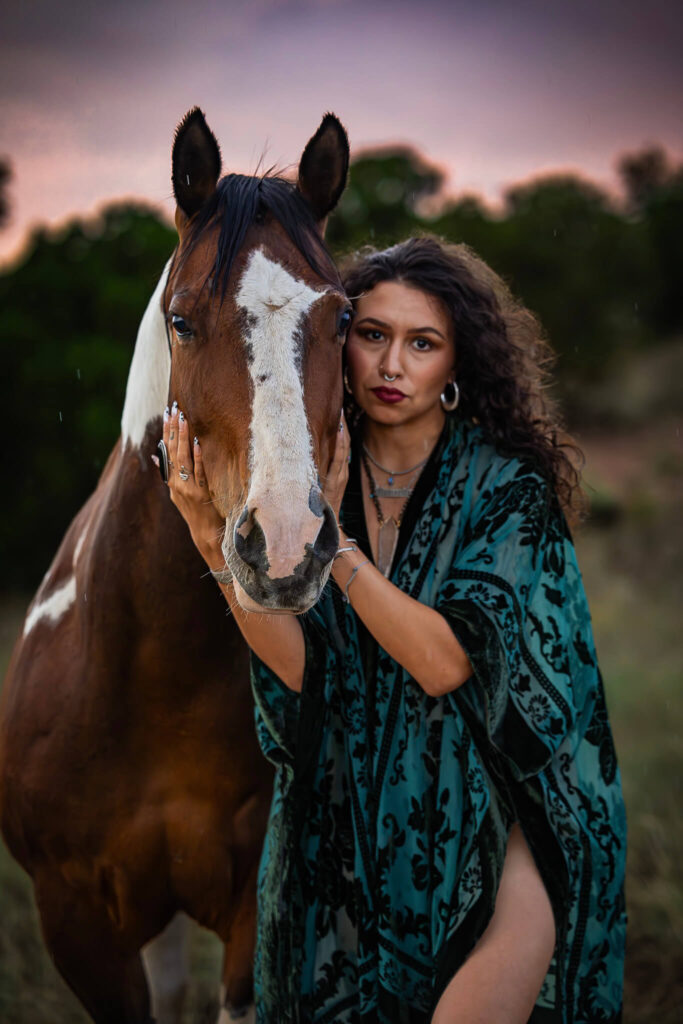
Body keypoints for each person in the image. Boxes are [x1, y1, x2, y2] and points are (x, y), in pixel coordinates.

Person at [164, 236, 627, 1023]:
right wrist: (209, 535)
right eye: (371, 335)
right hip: (350, 819)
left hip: (511, 815)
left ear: (456, 365)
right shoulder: (302, 484)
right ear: (336, 342)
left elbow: (445, 663)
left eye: (422, 344)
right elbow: (305, 674)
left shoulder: (505, 490)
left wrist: (333, 546)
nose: (390, 365)